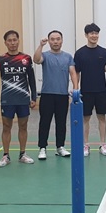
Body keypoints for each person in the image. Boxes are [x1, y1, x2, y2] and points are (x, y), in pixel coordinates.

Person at [0, 30, 37, 166]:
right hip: (7, 99)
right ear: (5, 43)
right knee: (6, 126)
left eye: (15, 40)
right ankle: (6, 155)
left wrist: (33, 97)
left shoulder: (26, 58)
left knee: (23, 126)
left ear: (18, 41)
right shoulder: (1, 59)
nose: (12, 43)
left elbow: (31, 79)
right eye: (9, 40)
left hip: (23, 98)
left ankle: (22, 154)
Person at [33, 30, 78, 160]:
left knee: (61, 122)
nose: (55, 41)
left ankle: (60, 147)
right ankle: (42, 148)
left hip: (62, 95)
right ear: (49, 41)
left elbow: (73, 73)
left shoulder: (68, 57)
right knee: (44, 122)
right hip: (47, 95)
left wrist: (75, 88)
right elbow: (36, 59)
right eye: (52, 39)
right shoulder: (45, 55)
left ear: (62, 40)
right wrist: (41, 45)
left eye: (58, 39)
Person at [72, 23, 106, 157]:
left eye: (96, 33)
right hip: (86, 91)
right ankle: (85, 145)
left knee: (102, 117)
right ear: (86, 35)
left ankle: (103, 144)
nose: (94, 35)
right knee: (85, 119)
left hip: (101, 90)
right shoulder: (80, 53)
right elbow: (76, 72)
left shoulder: (104, 52)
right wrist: (76, 89)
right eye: (91, 33)